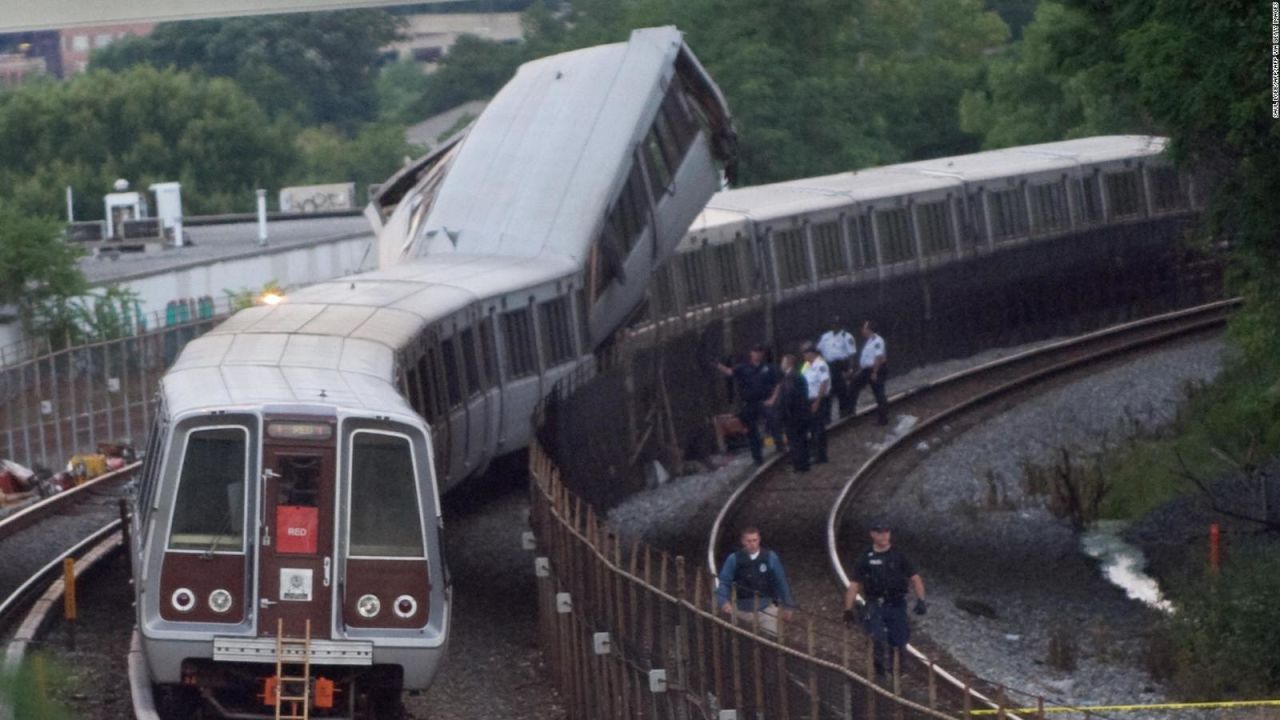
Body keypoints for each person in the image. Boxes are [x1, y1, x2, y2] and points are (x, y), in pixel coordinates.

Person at [842, 518, 926, 679]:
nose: (884, 536)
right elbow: (854, 585)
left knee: (899, 639)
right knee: (877, 637)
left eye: (887, 532)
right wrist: (848, 609)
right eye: (880, 533)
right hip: (875, 603)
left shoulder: (899, 555)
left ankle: (899, 672)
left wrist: (921, 600)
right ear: (873, 534)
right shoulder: (865, 558)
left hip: (896, 603)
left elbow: (915, 578)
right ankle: (880, 671)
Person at [716, 526, 795, 635]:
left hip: (766, 609)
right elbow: (724, 581)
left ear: (759, 540)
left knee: (770, 641)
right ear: (743, 541)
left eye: (755, 540)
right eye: (749, 541)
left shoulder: (770, 557)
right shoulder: (733, 559)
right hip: (741, 609)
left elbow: (781, 581)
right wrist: (724, 602)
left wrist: (788, 605)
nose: (752, 544)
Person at [716, 346, 786, 465]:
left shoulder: (768, 367)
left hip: (765, 401)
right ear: (751, 353)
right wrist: (717, 365)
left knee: (773, 421)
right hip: (750, 403)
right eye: (755, 352)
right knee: (751, 430)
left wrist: (773, 398)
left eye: (759, 352)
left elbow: (778, 383)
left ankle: (780, 447)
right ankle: (757, 458)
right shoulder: (743, 368)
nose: (757, 354)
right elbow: (730, 372)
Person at [848, 320, 890, 426]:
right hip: (867, 370)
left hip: (876, 369)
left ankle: (883, 419)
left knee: (879, 393)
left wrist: (875, 372)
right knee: (854, 385)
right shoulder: (869, 340)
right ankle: (850, 412)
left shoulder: (877, 341)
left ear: (869, 329)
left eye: (864, 328)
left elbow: (878, 357)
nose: (862, 330)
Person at [816, 317, 858, 418]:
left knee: (842, 390)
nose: (834, 326)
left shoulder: (846, 336)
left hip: (841, 365)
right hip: (829, 366)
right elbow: (818, 350)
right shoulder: (826, 336)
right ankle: (827, 417)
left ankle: (844, 413)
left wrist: (850, 369)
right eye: (832, 324)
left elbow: (851, 354)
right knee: (828, 391)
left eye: (835, 324)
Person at [776, 354, 810, 473]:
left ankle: (799, 465)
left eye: (783, 362)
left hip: (793, 415)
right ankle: (803, 464)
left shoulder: (791, 377)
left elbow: (789, 397)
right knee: (801, 439)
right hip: (800, 413)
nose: (781, 365)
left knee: (795, 440)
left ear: (788, 363)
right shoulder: (796, 376)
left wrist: (784, 412)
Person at [799, 342, 831, 464]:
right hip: (809, 400)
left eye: (805, 353)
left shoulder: (820, 365)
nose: (804, 356)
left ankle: (821, 455)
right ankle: (814, 452)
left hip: (819, 400)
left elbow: (824, 383)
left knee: (818, 428)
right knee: (812, 428)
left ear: (811, 353)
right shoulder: (807, 365)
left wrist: (817, 401)